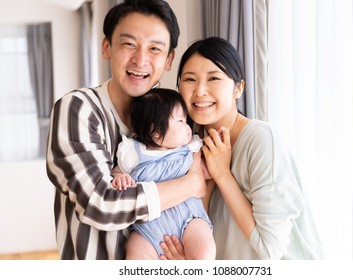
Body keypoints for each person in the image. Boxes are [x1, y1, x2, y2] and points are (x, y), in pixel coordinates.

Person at [46, 0, 207, 260]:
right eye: (129, 44)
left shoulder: (176, 115)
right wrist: (191, 184)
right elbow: (100, 204)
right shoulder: (78, 109)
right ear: (106, 46)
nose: (141, 59)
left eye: (155, 48)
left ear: (169, 59)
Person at [160, 37, 324, 260]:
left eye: (214, 78)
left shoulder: (261, 140)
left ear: (238, 88)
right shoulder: (188, 148)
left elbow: (270, 250)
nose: (199, 91)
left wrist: (223, 175)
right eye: (190, 79)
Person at [111, 88, 215, 260]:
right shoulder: (133, 152)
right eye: (181, 121)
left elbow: (206, 173)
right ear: (156, 132)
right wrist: (119, 177)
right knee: (135, 253)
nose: (188, 127)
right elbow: (117, 172)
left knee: (204, 250)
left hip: (188, 219)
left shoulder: (189, 149)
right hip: (147, 229)